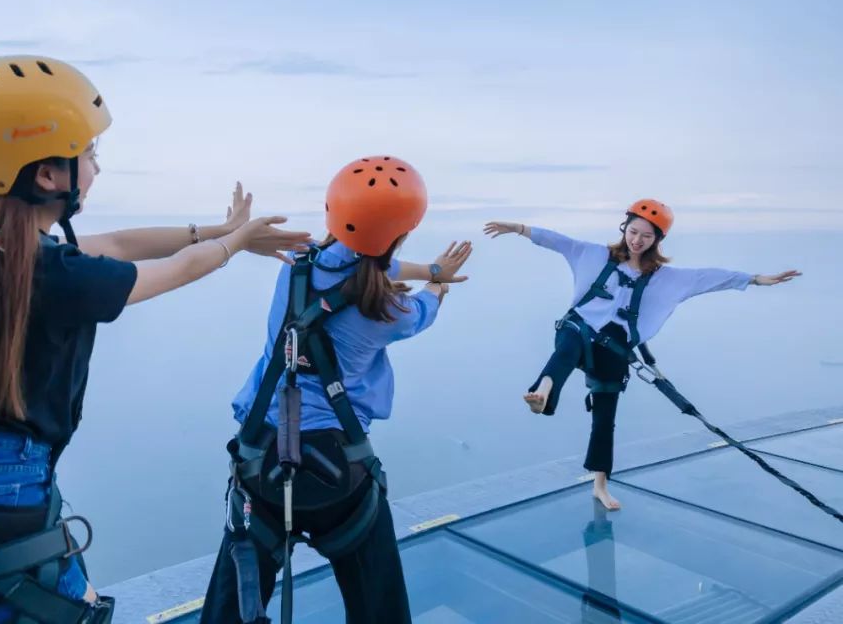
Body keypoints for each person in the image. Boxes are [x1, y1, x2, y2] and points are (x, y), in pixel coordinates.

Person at [0, 55, 311, 623]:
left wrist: (219, 230)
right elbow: (173, 270)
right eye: (88, 154)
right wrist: (236, 244)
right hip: (1, 502)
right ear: (47, 174)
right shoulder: (51, 273)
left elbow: (114, 244)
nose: (95, 167)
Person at [201, 156, 472, 624]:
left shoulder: (295, 269)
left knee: (231, 602)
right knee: (380, 604)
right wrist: (436, 279)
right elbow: (419, 300)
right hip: (339, 477)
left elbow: (354, 262)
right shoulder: (390, 310)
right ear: (402, 233)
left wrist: (416, 271)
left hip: (261, 462)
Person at [484, 199, 800, 510]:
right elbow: (557, 241)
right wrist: (518, 228)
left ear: (657, 240)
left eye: (646, 236)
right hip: (578, 329)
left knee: (605, 418)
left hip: (614, 347)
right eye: (633, 231)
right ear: (624, 228)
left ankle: (600, 487)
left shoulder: (666, 277)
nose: (637, 240)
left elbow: (709, 277)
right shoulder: (593, 254)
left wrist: (756, 279)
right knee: (567, 346)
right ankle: (542, 392)